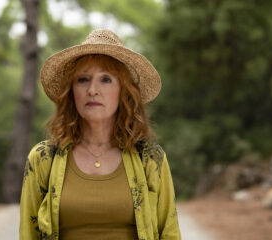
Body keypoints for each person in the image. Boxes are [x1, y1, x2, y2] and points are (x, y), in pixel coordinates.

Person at [19, 29, 181, 240]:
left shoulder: (149, 159)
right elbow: (27, 235)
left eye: (106, 80)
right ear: (72, 91)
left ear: (123, 91)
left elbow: (170, 233)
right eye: (83, 79)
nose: (92, 90)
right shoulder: (43, 159)